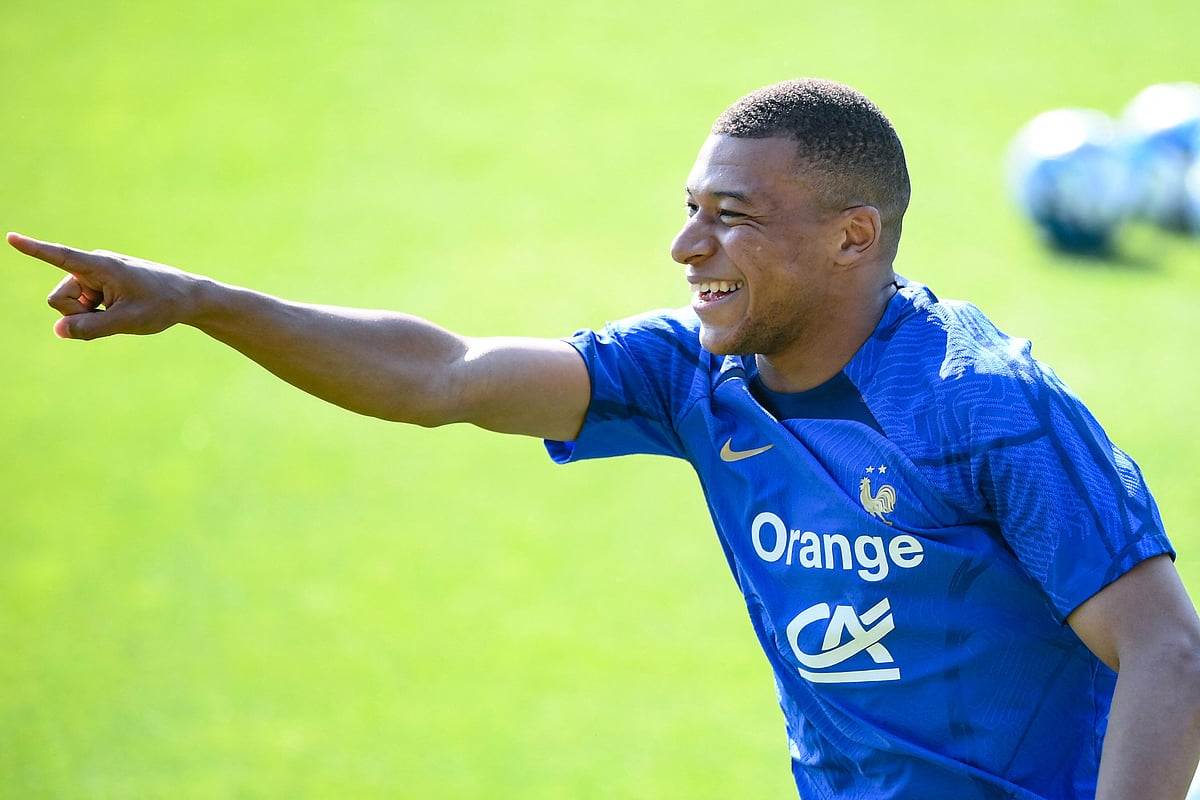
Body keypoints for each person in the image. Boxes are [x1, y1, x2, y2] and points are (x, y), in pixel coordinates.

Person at [9, 77, 1200, 799]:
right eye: (690, 211)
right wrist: (206, 301)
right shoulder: (695, 373)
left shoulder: (983, 405)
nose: (688, 251)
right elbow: (445, 374)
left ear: (852, 237)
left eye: (731, 219)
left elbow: (1165, 651)